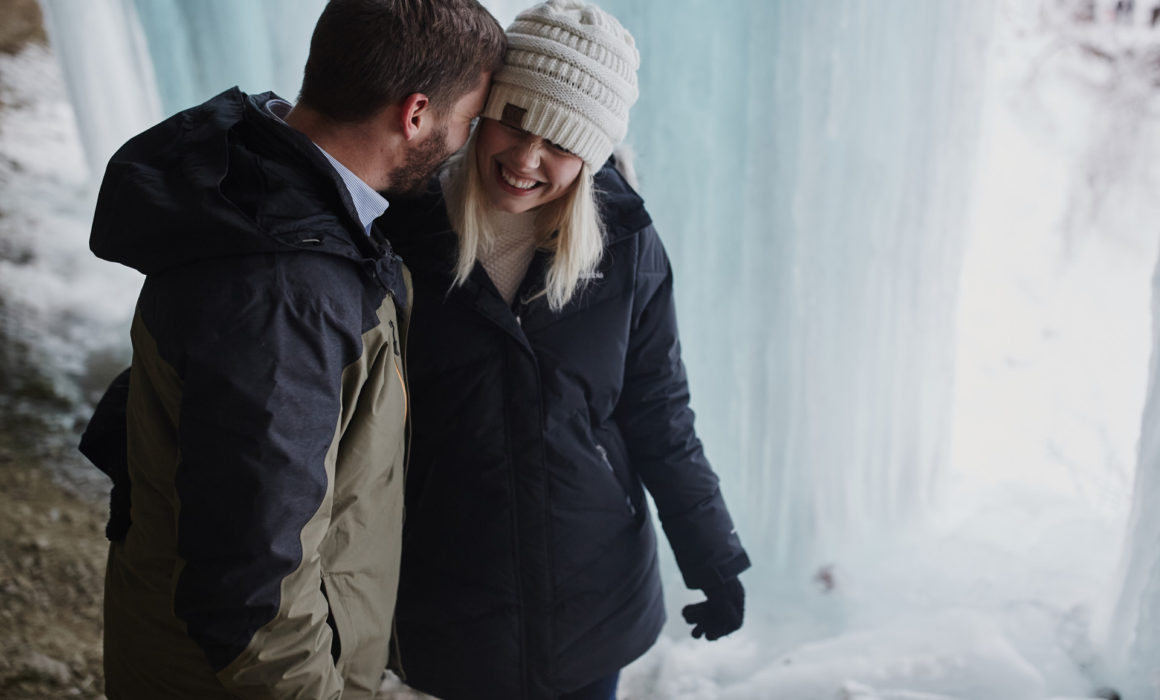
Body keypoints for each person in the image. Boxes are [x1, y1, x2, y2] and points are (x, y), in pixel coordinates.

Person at [77, 1, 504, 698]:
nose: (465, 142)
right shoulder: (287, 296)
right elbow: (252, 599)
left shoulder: (252, 177)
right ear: (416, 113)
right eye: (469, 119)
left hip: (174, 641)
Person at [380, 2, 750, 698]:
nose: (525, 159)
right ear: (484, 107)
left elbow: (659, 410)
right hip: (452, 594)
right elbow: (300, 352)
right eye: (515, 121)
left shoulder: (627, 248)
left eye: (559, 141)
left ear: (595, 151)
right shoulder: (403, 231)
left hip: (593, 599)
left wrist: (712, 555)